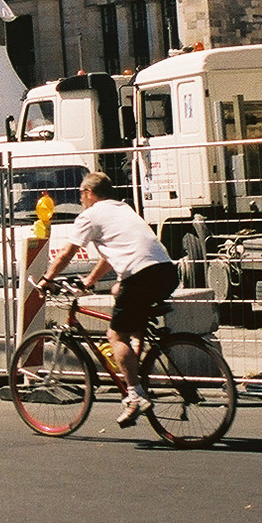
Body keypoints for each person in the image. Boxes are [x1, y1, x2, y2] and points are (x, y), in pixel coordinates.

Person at [36, 170, 178, 427]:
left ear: (89, 193)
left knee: (115, 335)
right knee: (117, 292)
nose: (80, 200)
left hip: (141, 277)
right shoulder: (123, 209)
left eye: (81, 195)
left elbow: (67, 253)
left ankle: (135, 394)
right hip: (166, 272)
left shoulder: (89, 216)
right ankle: (137, 360)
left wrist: (46, 279)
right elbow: (110, 255)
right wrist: (89, 281)